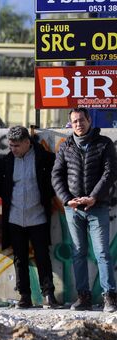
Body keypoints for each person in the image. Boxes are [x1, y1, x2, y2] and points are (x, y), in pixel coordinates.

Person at [51, 107, 117, 312]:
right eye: (74, 122)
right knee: (78, 253)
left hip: (97, 207)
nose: (78, 124)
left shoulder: (104, 144)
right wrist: (67, 199)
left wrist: (93, 197)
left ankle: (110, 298)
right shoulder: (66, 146)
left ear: (89, 120)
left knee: (102, 253)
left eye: (81, 120)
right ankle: (83, 297)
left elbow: (109, 172)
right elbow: (57, 176)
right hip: (73, 210)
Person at [0, 126, 59, 309]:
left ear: (26, 143)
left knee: (42, 256)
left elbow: (53, 183)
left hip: (38, 216)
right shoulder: (6, 162)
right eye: (10, 145)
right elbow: (0, 187)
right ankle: (24, 295)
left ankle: (49, 295)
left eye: (16, 145)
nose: (12, 149)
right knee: (19, 257)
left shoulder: (45, 159)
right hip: (15, 217)